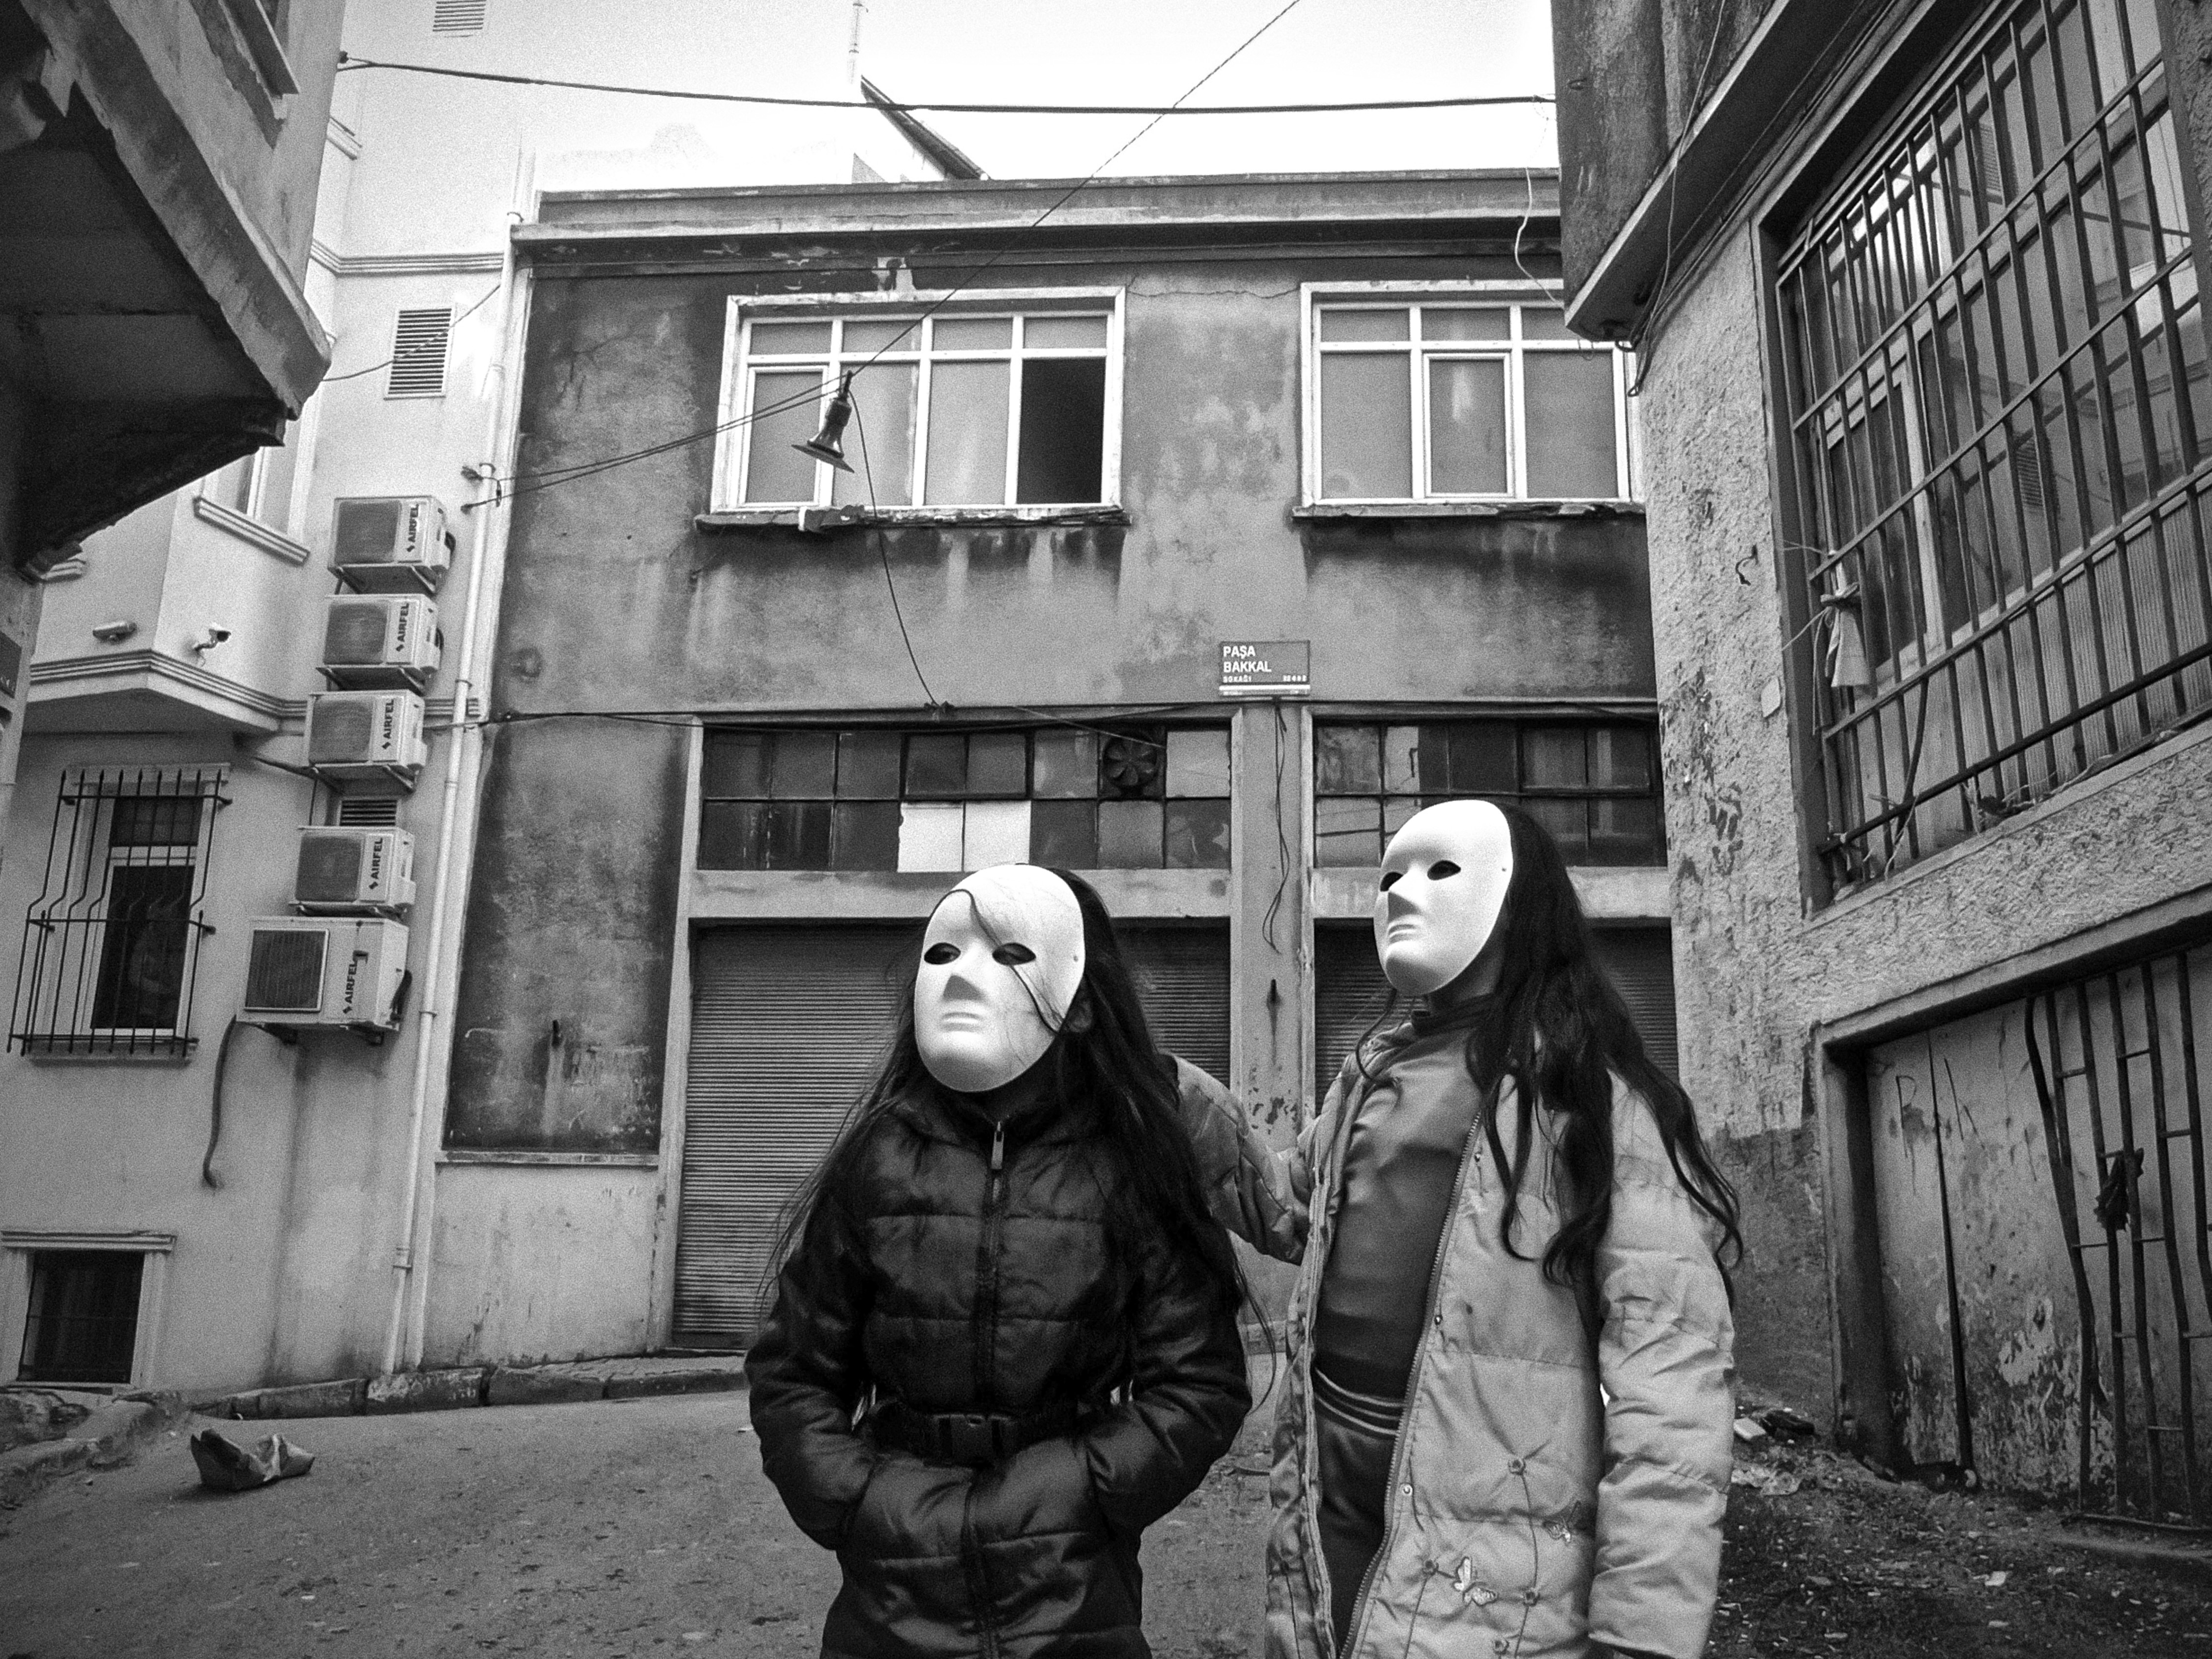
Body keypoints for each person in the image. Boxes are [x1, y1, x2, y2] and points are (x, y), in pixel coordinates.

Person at [1266, 800, 1741, 1659]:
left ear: (1518, 899)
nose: (1400, 893)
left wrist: (1642, 1635)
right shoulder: (1371, 1071)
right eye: (1388, 876)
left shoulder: (1588, 1100)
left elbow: (1671, 1380)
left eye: (1440, 869)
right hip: (1326, 1495)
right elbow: (1292, 1208)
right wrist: (1157, 1095)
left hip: (1486, 1530)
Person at [748, 864, 1253, 1659]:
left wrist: (1082, 1494)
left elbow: (1199, 1382)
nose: (962, 979)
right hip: (893, 1592)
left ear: (1081, 1002)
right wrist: (857, 1502)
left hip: (1070, 1592)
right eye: (944, 953)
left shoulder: (1131, 1166)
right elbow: (794, 1373)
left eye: (1012, 952)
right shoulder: (878, 1158)